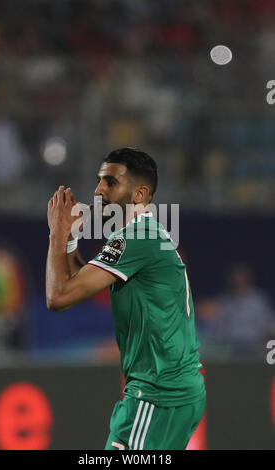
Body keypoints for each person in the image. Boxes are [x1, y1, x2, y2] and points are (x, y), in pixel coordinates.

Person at [46, 147, 206, 450]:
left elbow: (58, 296)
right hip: (169, 391)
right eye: (98, 180)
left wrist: (57, 232)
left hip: (158, 394)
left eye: (110, 182)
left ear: (138, 193)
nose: (98, 190)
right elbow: (80, 283)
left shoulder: (137, 238)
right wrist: (69, 239)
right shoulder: (141, 235)